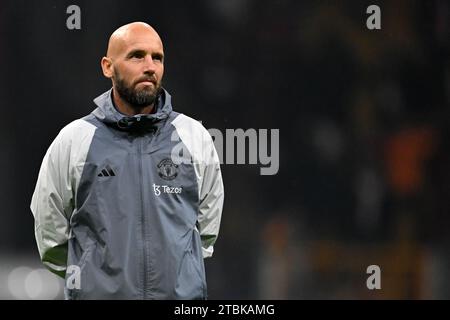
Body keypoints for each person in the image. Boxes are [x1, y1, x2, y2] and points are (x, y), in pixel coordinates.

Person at [30, 22, 224, 300]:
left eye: (157, 58)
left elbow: (205, 233)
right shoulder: (74, 140)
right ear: (108, 66)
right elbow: (50, 233)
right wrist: (91, 281)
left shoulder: (194, 137)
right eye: (136, 56)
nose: (150, 66)